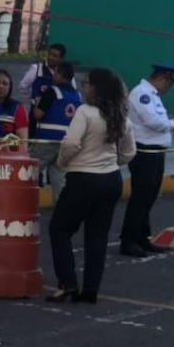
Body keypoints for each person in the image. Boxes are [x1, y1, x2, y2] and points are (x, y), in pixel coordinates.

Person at [47, 67, 136, 304]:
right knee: (97, 237)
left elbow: (70, 144)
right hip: (111, 179)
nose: (84, 87)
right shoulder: (120, 116)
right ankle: (91, 290)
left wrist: (63, 162)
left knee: (59, 229)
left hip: (83, 179)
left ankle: (67, 283)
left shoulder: (85, 112)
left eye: (86, 84)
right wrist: (113, 162)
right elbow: (129, 152)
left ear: (96, 88)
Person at [120, 64, 174, 258]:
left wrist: (172, 123)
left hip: (155, 153)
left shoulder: (152, 95)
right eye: (169, 84)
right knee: (140, 198)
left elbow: (158, 121)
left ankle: (142, 237)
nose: (169, 88)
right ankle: (129, 241)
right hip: (145, 153)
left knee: (149, 198)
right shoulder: (142, 94)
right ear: (162, 78)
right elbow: (154, 122)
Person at [32, 61, 82, 200]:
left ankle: (22, 203)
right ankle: (62, 207)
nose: (53, 75)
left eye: (56, 72)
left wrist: (37, 104)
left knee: (30, 171)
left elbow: (38, 115)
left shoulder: (52, 91)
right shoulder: (78, 95)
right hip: (66, 142)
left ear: (60, 74)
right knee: (59, 177)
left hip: (46, 140)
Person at [0, 69, 29, 151]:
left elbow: (23, 143)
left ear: (10, 87)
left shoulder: (17, 108)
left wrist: (6, 145)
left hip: (6, 156)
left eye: (5, 84)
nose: (0, 86)